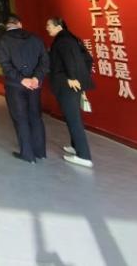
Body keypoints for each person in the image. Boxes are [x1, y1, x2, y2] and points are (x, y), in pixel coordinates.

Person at [0, 14, 50, 163]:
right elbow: (45, 61)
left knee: (21, 118)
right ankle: (40, 152)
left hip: (15, 85)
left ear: (6, 25)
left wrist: (22, 79)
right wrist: (36, 78)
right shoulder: (35, 38)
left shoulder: (1, 41)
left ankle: (28, 154)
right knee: (36, 117)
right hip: (34, 85)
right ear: (19, 23)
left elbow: (6, 66)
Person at [46, 17, 95, 168]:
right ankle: (75, 146)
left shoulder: (63, 41)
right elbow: (88, 59)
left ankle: (84, 156)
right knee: (72, 117)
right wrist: (82, 80)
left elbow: (69, 61)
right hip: (74, 85)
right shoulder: (72, 38)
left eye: (49, 25)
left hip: (68, 86)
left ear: (58, 26)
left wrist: (72, 78)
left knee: (74, 120)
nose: (47, 28)